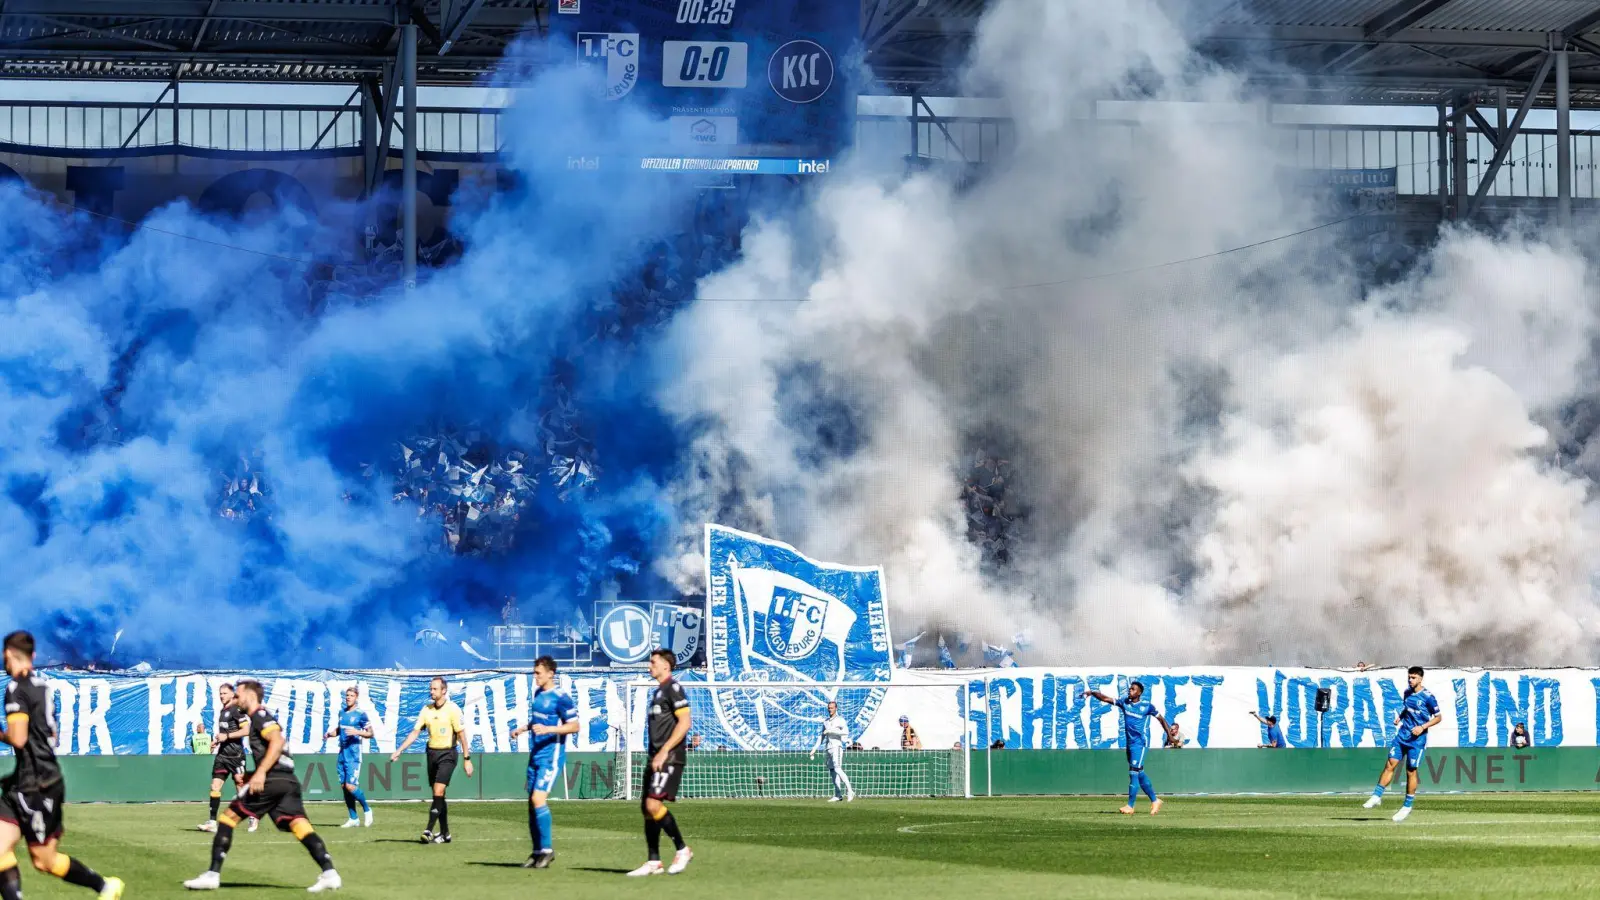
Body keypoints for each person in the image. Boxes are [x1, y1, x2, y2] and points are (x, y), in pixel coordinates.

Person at [183, 679, 340, 892]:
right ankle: (330, 873)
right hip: (287, 780)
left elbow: (277, 741)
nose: (235, 699)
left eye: (237, 694)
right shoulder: (259, 716)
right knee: (298, 824)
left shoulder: (258, 716)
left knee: (227, 819)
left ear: (249, 695)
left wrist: (261, 773)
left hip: (272, 780)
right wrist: (251, 774)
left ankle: (212, 875)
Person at [0, 631, 125, 900]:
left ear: (7, 655)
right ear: (33, 656)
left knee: (44, 861)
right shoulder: (44, 686)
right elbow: (50, 733)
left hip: (38, 784)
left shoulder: (15, 688)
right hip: (25, 780)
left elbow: (19, 738)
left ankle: (104, 886)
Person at [508, 656, 579, 869]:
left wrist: (549, 730)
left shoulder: (562, 698)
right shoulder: (538, 694)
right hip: (536, 754)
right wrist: (524, 728)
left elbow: (574, 726)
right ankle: (537, 851)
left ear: (550, 673)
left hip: (551, 756)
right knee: (532, 802)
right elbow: (539, 721)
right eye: (534, 672)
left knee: (539, 799)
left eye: (538, 673)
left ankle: (548, 850)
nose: (535, 676)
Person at [626, 649, 692, 877]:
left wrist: (664, 751)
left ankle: (682, 850)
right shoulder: (658, 692)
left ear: (666, 665)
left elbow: (685, 722)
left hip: (670, 756)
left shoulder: (673, 688)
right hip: (656, 756)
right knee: (647, 809)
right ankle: (654, 861)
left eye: (653, 662)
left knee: (654, 805)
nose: (649, 666)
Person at [391, 676, 473, 843]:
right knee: (439, 796)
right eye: (431, 689)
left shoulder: (453, 710)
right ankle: (445, 833)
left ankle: (428, 830)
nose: (431, 691)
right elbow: (414, 733)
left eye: (435, 689)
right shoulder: (426, 710)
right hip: (432, 754)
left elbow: (462, 735)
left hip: (448, 755)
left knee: (438, 792)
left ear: (444, 691)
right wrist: (399, 750)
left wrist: (467, 758)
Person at [1362, 666, 1441, 822]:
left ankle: (1407, 806)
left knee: (1410, 771)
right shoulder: (1407, 693)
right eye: (1409, 677)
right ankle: (1377, 795)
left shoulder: (1428, 697)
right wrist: (1400, 716)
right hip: (1402, 735)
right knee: (1390, 764)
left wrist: (1422, 727)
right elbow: (1408, 708)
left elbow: (1438, 717)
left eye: (1413, 678)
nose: (1410, 680)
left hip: (1417, 740)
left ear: (1420, 679)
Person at [1085, 680, 1169, 815]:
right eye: (1130, 689)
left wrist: (1169, 736)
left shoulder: (1147, 706)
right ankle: (1155, 800)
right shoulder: (1124, 703)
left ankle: (1130, 806)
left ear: (1139, 692)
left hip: (1140, 744)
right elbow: (1106, 698)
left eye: (1133, 689)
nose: (1130, 690)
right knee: (1139, 773)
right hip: (1130, 744)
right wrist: (1093, 693)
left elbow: (1162, 720)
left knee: (1133, 773)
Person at [200, 683, 257, 834]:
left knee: (240, 786)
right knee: (215, 787)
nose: (221, 696)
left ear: (232, 694)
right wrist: (217, 740)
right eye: (220, 693)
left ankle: (252, 815)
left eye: (224, 693)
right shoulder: (223, 711)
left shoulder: (237, 709)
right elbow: (225, 733)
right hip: (222, 755)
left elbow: (246, 730)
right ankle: (212, 822)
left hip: (236, 755)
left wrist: (227, 736)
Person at [324, 687, 374, 828]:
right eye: (347, 695)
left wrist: (357, 731)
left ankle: (367, 809)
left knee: (351, 786)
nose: (348, 698)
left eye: (351, 695)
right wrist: (329, 734)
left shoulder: (361, 714)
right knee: (344, 787)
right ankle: (353, 818)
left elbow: (371, 733)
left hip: (353, 755)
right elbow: (339, 730)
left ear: (356, 697)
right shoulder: (342, 713)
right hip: (342, 754)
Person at [809, 700, 855, 802]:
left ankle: (850, 791)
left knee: (838, 769)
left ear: (836, 708)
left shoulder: (840, 720)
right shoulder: (826, 721)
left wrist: (831, 730)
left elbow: (845, 732)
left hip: (837, 747)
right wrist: (814, 748)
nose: (830, 710)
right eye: (829, 708)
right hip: (828, 748)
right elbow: (821, 736)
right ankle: (838, 795)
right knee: (832, 771)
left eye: (832, 708)